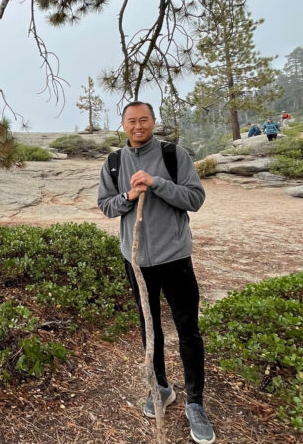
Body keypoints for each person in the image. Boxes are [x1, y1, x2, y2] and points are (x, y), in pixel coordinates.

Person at [97, 102, 213, 444]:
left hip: (175, 257)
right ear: (123, 125)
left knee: (187, 329)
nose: (138, 126)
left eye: (143, 119)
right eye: (131, 121)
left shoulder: (174, 155)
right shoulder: (114, 162)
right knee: (150, 327)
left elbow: (194, 198)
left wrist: (157, 183)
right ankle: (161, 386)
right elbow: (106, 205)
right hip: (136, 261)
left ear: (153, 122)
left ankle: (195, 402)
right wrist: (130, 195)